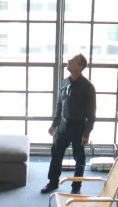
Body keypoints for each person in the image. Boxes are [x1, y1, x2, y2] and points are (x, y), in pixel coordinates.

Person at [41, 54, 96, 194]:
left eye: (73, 61)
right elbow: (59, 105)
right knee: (56, 154)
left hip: (78, 127)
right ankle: (53, 182)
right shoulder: (64, 82)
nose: (69, 62)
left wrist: (86, 133)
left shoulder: (88, 87)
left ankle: (76, 188)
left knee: (79, 159)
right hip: (63, 126)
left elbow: (91, 113)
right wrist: (54, 124)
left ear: (80, 67)